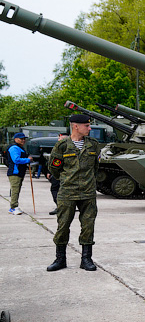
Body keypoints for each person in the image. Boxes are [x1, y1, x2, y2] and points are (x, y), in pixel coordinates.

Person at [46, 114, 102, 272]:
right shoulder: (62, 145)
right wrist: (66, 180)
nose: (89, 128)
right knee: (63, 226)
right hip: (67, 192)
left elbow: (95, 168)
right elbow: (54, 168)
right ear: (75, 126)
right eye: (87, 126)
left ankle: (86, 259)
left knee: (88, 226)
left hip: (88, 192)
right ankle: (60, 259)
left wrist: (88, 181)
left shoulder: (93, 145)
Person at [6, 133, 33, 215]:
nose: (23, 140)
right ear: (15, 139)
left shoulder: (20, 148)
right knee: (15, 190)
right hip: (15, 172)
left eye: (24, 139)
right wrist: (27, 160)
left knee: (16, 190)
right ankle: (13, 207)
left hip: (19, 172)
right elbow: (16, 160)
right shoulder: (14, 148)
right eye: (21, 139)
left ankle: (13, 207)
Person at [47, 133, 67, 215]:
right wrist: (49, 172)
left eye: (60, 138)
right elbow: (52, 161)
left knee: (55, 189)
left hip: (60, 174)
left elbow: (55, 162)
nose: (58, 140)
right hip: (62, 174)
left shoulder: (60, 148)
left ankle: (60, 206)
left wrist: (53, 173)